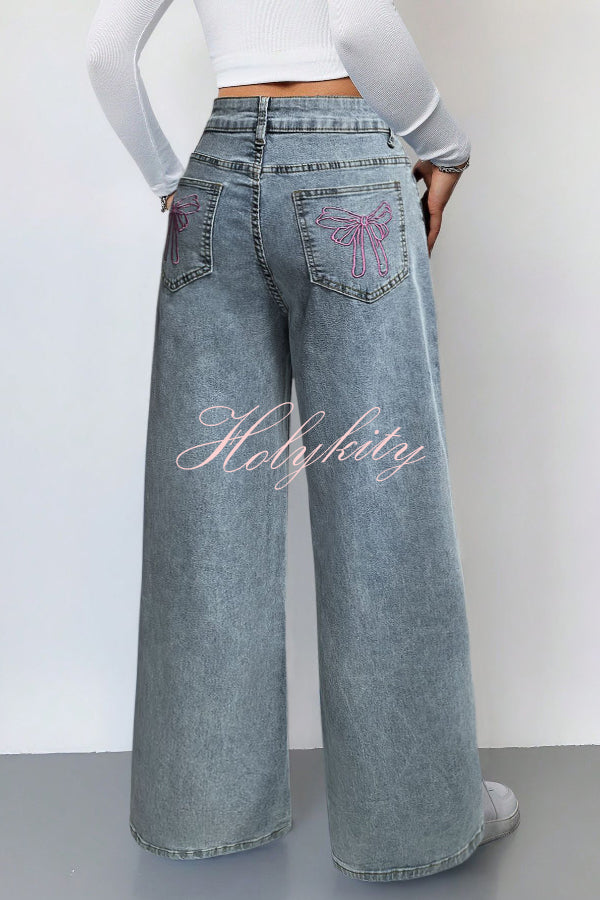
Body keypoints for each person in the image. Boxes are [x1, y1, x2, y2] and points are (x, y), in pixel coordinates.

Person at [85, 0, 520, 883]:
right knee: (385, 505)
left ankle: (201, 807)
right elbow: (358, 25)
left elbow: (106, 51)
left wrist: (172, 182)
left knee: (205, 519)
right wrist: (445, 146)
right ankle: (417, 821)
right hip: (347, 164)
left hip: (212, 177)